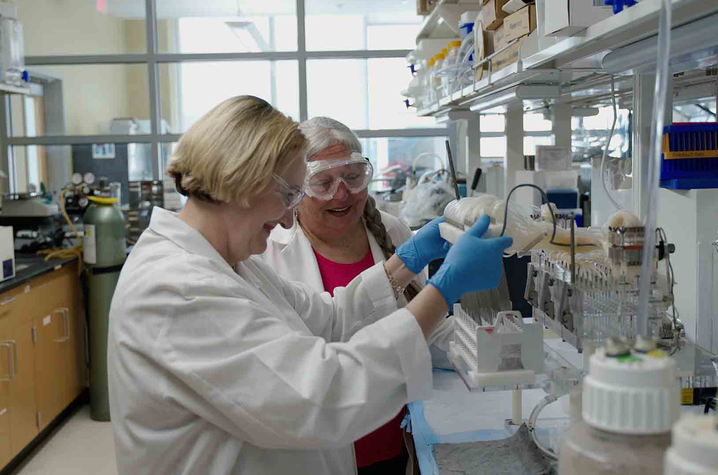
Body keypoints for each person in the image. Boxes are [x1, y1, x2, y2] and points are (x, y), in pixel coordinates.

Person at [107, 95, 512, 475]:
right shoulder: (177, 290)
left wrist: (405, 263)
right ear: (239, 180)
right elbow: (324, 396)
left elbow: (332, 319)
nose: (288, 218)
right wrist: (442, 292)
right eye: (288, 194)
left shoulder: (231, 264)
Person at [262, 116, 453, 473]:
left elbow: (426, 327)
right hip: (322, 447)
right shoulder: (267, 252)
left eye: (353, 177)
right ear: (298, 189)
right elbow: (319, 343)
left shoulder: (391, 230)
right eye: (323, 182)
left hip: (394, 434)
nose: (342, 193)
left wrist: (488, 347)